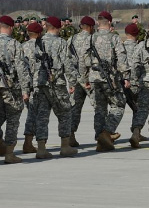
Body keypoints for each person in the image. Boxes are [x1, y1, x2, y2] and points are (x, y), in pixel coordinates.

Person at [78, 11, 131, 151]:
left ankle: (100, 141)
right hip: (110, 78)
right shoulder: (114, 38)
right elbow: (121, 58)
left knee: (99, 110)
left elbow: (82, 59)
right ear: (110, 22)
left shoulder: (90, 38)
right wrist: (126, 76)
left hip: (94, 78)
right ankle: (106, 133)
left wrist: (84, 78)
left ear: (97, 23)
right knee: (119, 105)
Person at [31, 16, 78, 158]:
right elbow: (67, 64)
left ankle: (41, 148)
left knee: (42, 115)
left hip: (41, 83)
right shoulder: (61, 42)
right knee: (65, 112)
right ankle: (65, 146)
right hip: (57, 83)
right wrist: (72, 82)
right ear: (58, 28)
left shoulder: (38, 42)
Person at [0, 16, 30, 163]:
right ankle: (9, 154)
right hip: (10, 87)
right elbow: (21, 68)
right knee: (12, 120)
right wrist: (25, 90)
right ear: (11, 28)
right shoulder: (14, 44)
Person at [67, 16, 96, 146]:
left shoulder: (71, 39)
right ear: (90, 27)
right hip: (89, 78)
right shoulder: (92, 39)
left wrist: (71, 81)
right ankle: (102, 134)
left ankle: (70, 135)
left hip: (76, 78)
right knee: (98, 106)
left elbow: (67, 61)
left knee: (75, 108)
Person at [21, 22, 43, 154]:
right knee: (36, 115)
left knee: (31, 113)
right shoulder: (41, 46)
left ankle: (29, 143)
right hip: (38, 84)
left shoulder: (22, 46)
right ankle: (29, 143)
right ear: (39, 34)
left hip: (26, 85)